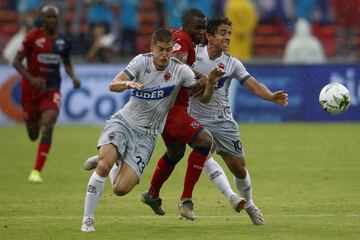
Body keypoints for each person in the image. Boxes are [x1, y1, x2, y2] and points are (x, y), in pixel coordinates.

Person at [83, 8, 243, 221]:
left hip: (158, 122)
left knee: (175, 153)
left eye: (204, 28)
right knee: (204, 141)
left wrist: (210, 81)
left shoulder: (182, 47)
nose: (202, 32)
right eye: (199, 28)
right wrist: (204, 77)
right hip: (171, 111)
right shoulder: (180, 43)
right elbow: (173, 66)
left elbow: (198, 89)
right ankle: (186, 199)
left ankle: (150, 191)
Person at [189, 16, 289, 225]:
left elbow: (252, 84)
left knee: (239, 169)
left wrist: (270, 96)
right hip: (196, 118)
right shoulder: (193, 55)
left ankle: (250, 204)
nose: (227, 37)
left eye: (229, 34)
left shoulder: (231, 63)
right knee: (203, 153)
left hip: (222, 121)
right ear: (209, 36)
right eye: (223, 33)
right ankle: (231, 196)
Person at [13, 5, 81, 183]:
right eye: (48, 17)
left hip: (51, 89)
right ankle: (34, 129)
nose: (51, 20)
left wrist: (73, 77)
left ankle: (36, 171)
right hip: (31, 90)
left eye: (54, 17)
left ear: (57, 20)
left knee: (48, 123)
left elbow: (66, 62)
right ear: (43, 19)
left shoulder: (63, 41)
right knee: (33, 134)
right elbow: (16, 62)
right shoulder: (32, 37)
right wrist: (31, 78)